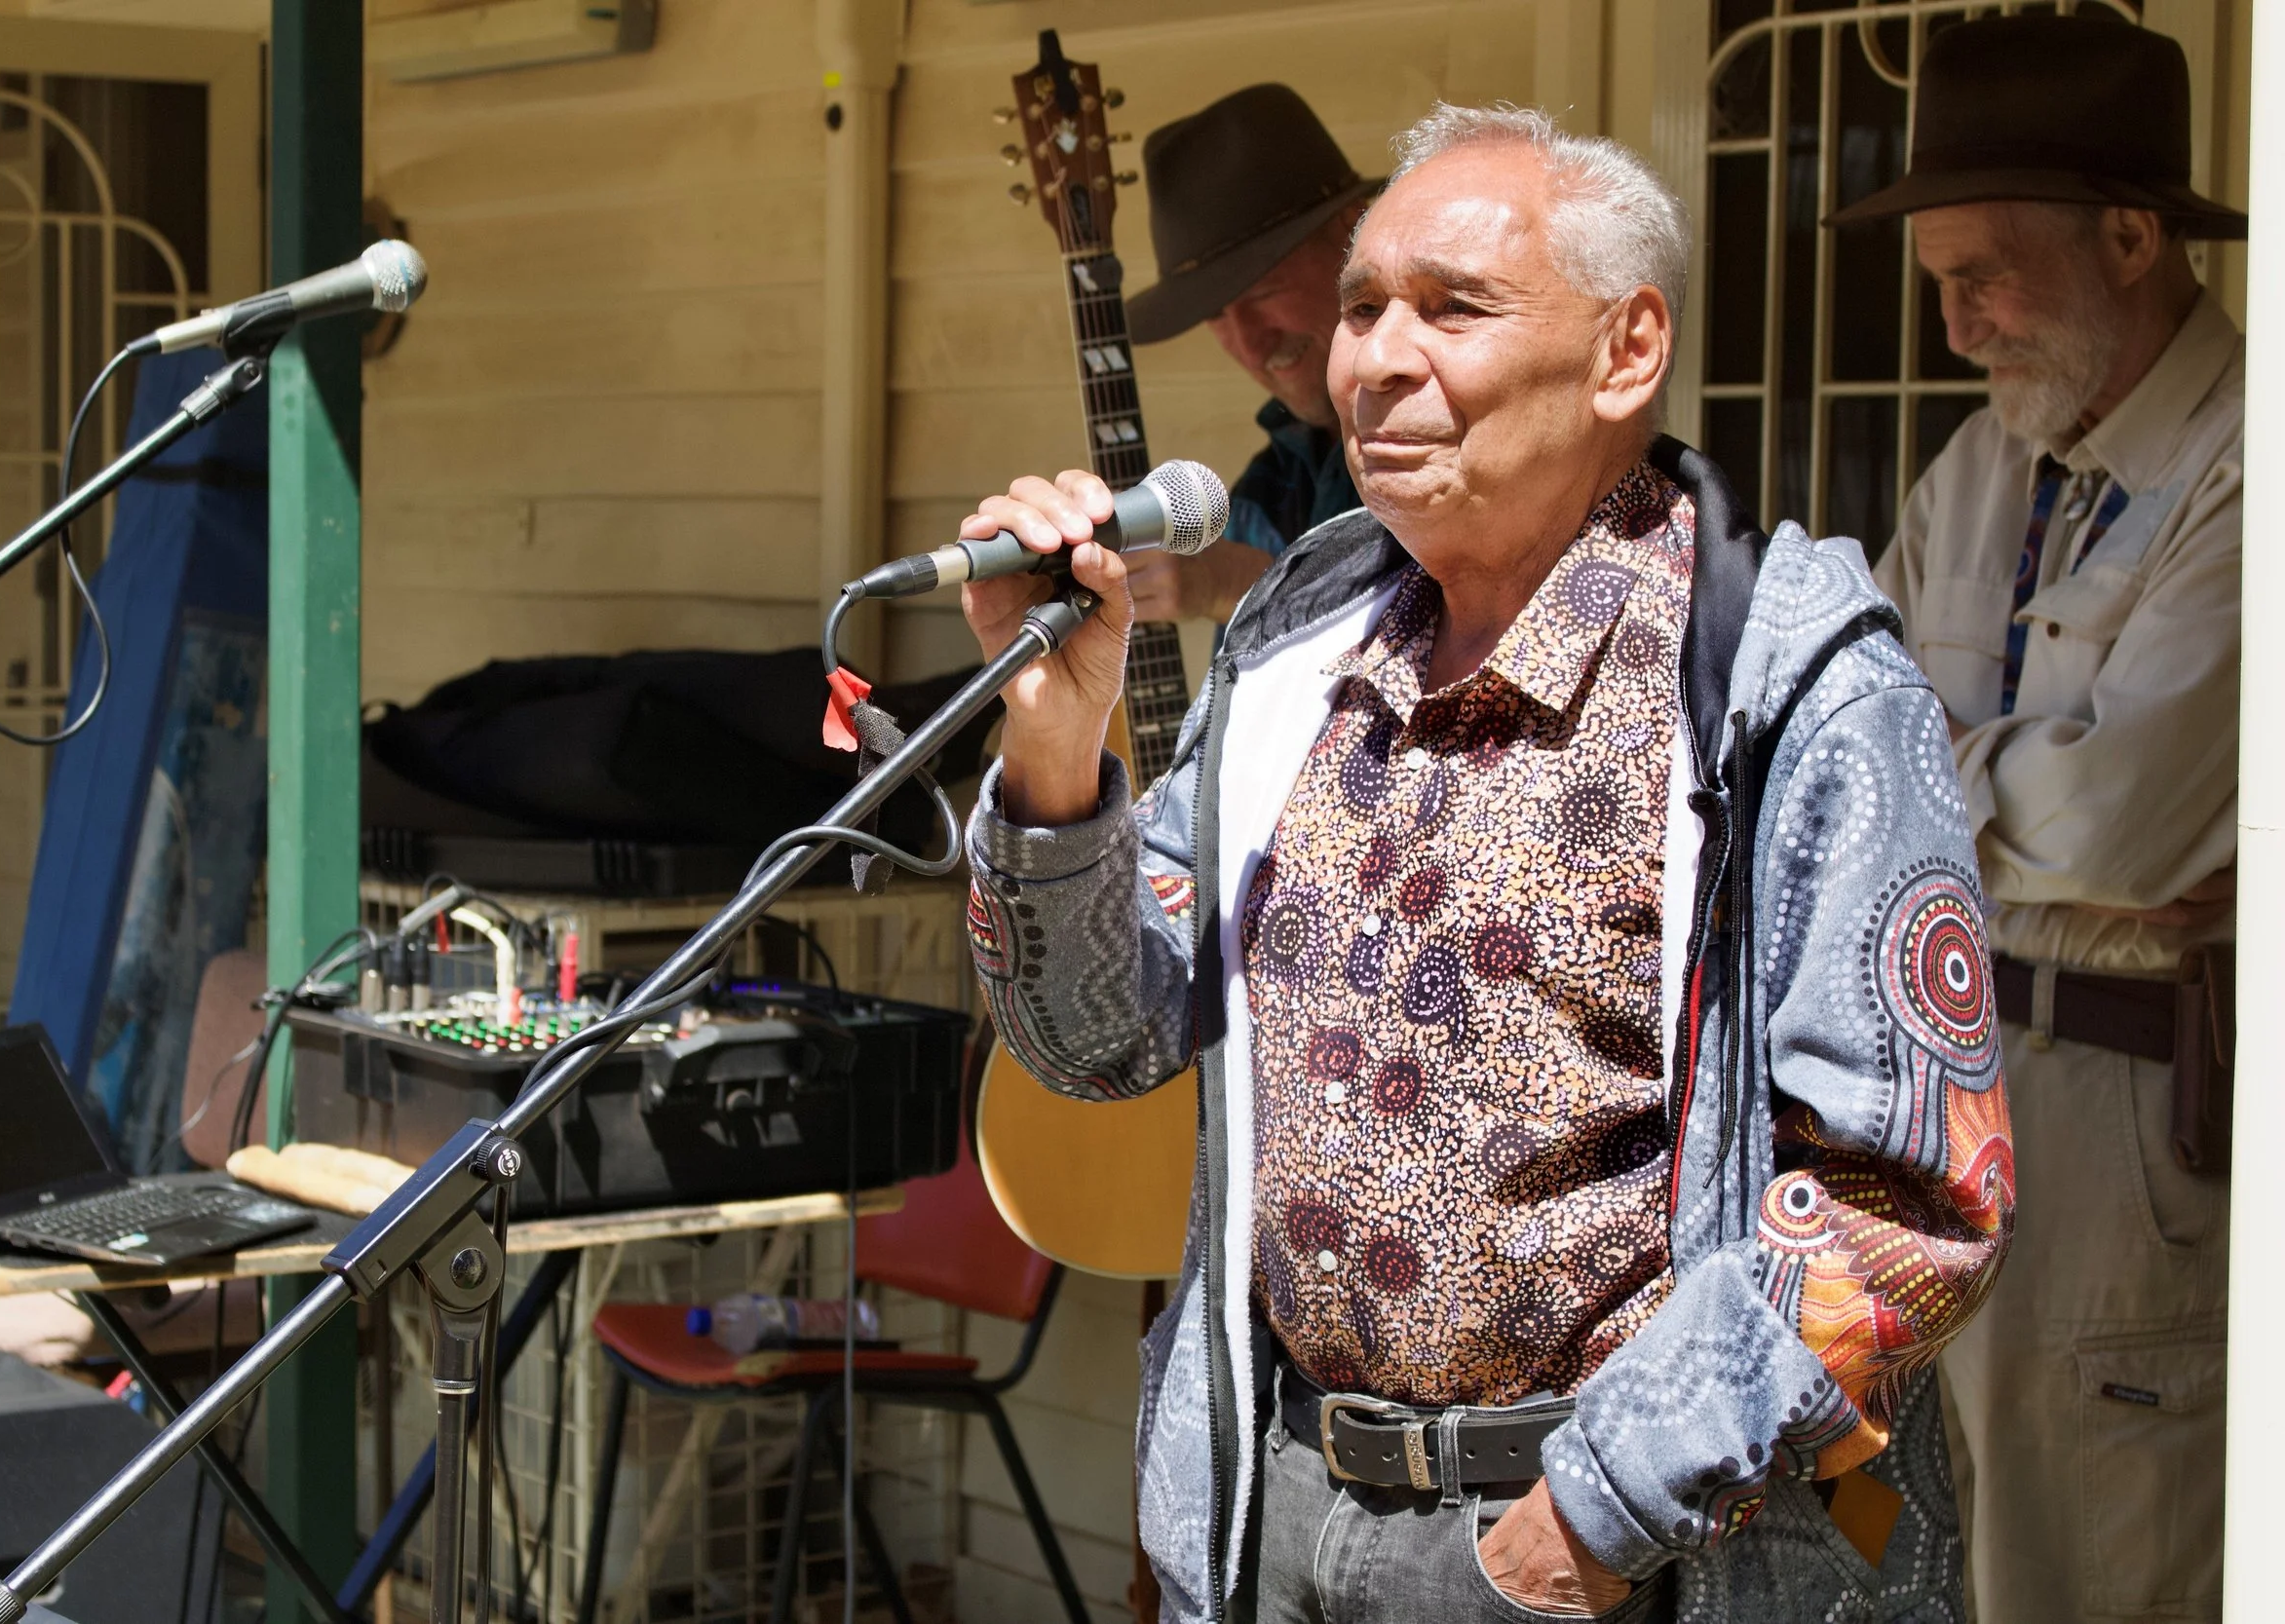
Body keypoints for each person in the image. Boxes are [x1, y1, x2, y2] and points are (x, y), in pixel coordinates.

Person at [957, 102, 2011, 1621]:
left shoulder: (1787, 686)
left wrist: (1581, 1526)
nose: (1376, 358)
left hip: (1614, 1552)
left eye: (1452, 307)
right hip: (1282, 1513)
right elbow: (1095, 1040)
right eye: (1362, 306)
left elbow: (1907, 1200)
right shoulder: (1296, 658)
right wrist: (1058, 758)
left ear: (1626, 350)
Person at [1833, 15, 2241, 1621]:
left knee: (2081, 1571)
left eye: (1985, 273)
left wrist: (1925, 773)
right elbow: (1832, 754)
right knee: (1908, 1560)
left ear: (2132, 237)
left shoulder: (2248, 463)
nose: (1953, 326)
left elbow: (2120, 825)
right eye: (1937, 281)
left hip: (2119, 1106)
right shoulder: (1979, 467)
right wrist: (2010, 786)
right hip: (1921, 1099)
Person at [1116, 84, 1372, 624]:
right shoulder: (1261, 495)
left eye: (1263, 293)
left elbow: (1449, 639)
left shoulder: (1443, 443)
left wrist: (1238, 586)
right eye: (1215, 315)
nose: (1250, 347)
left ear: (1353, 231)